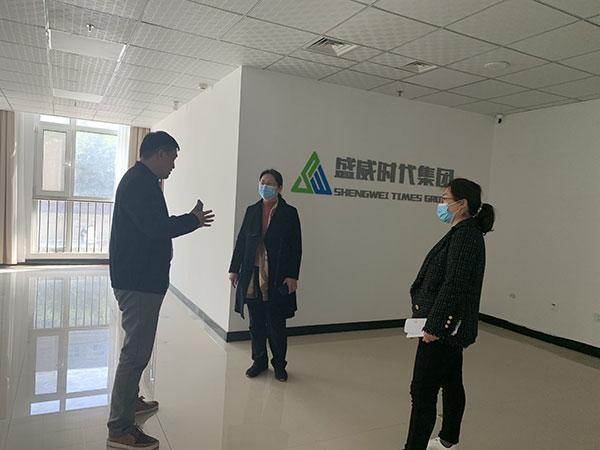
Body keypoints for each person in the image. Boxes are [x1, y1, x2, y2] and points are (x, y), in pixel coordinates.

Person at [107, 131, 215, 449]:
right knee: (135, 353)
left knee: (138, 350)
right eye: (173, 158)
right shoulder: (139, 183)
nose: (174, 165)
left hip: (141, 279)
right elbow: (156, 227)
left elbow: (153, 225)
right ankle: (120, 428)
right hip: (138, 282)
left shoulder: (142, 180)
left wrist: (190, 219)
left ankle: (131, 402)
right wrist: (192, 220)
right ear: (159, 153)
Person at [403, 178, 495, 450]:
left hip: (443, 329)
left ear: (461, 204)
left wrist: (435, 327)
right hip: (448, 326)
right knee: (451, 381)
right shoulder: (462, 232)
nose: (441, 204)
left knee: (422, 390)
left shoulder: (466, 236)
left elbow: (454, 286)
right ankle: (448, 439)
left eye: (445, 198)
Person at [228, 169, 302, 382]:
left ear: (280, 187)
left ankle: (279, 365)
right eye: (262, 182)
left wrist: (292, 276)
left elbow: (296, 247)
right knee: (256, 322)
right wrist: (234, 269)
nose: (265, 187)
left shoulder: (289, 213)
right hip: (252, 274)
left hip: (277, 275)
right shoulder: (252, 210)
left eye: (269, 183)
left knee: (276, 323)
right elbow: (242, 241)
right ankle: (259, 361)